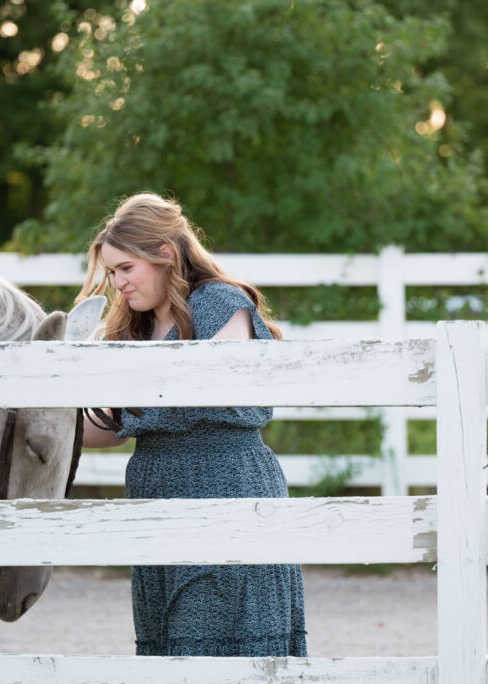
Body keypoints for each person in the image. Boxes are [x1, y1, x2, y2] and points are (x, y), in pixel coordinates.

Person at [76, 192, 307, 657]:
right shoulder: (135, 327)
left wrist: (125, 398)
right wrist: (45, 425)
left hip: (223, 484)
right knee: (171, 650)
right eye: (112, 272)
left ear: (164, 254)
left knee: (221, 644)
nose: (117, 283)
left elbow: (212, 382)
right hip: (155, 491)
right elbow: (109, 426)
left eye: (126, 268)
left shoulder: (220, 302)